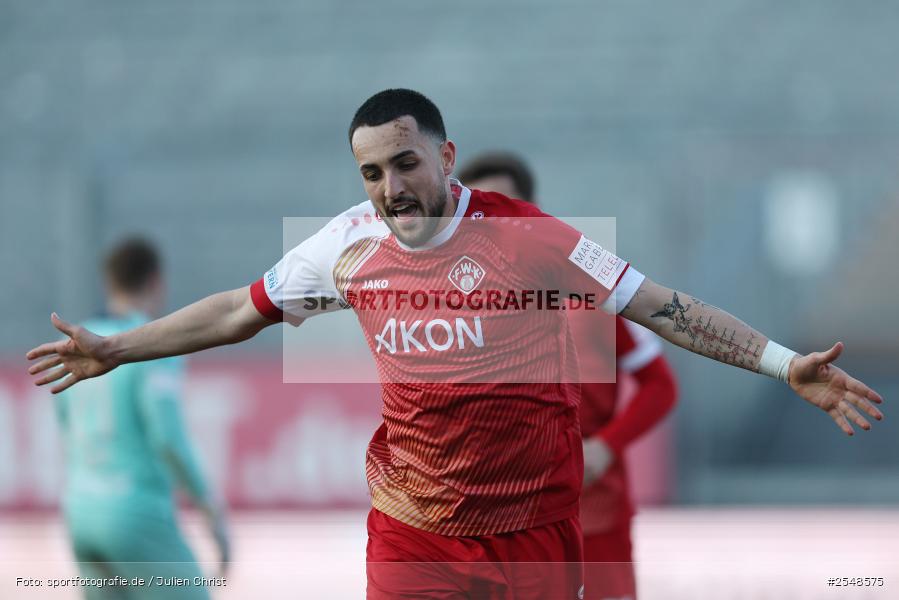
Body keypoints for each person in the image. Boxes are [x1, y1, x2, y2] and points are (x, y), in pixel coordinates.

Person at [28, 89, 883, 599]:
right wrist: (118, 348)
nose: (390, 188)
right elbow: (234, 312)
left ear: (444, 154)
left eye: (404, 163)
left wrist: (781, 363)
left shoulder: (536, 241)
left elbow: (664, 309)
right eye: (370, 173)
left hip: (537, 531)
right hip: (413, 531)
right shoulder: (347, 247)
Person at [459, 152, 678, 600]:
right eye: (481, 212)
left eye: (504, 206)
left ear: (530, 212)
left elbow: (661, 387)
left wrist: (606, 446)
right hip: (497, 522)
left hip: (593, 517)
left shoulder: (594, 292)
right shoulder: (451, 307)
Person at [52, 238, 229, 599]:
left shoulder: (76, 345)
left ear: (109, 282)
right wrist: (209, 508)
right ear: (156, 282)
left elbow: (66, 428)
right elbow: (167, 436)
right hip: (135, 513)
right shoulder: (150, 343)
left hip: (81, 512)